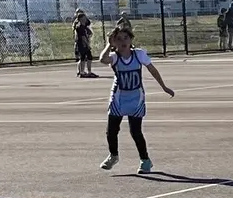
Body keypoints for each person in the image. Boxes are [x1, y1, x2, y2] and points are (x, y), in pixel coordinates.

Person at [99, 25, 175, 172]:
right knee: (111, 131)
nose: (123, 41)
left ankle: (145, 160)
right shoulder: (114, 57)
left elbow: (152, 70)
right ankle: (113, 155)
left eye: (126, 38)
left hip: (136, 99)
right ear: (114, 42)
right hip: (118, 99)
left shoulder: (138, 54)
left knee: (136, 132)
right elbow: (103, 59)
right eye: (119, 39)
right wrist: (109, 44)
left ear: (131, 39)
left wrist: (164, 87)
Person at [74, 11, 97, 77]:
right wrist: (87, 44)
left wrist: (89, 35)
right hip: (82, 45)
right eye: (84, 18)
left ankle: (88, 72)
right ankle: (82, 72)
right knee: (83, 58)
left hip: (84, 44)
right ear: (81, 19)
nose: (85, 19)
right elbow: (83, 37)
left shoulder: (84, 27)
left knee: (89, 57)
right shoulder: (80, 27)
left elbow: (89, 33)